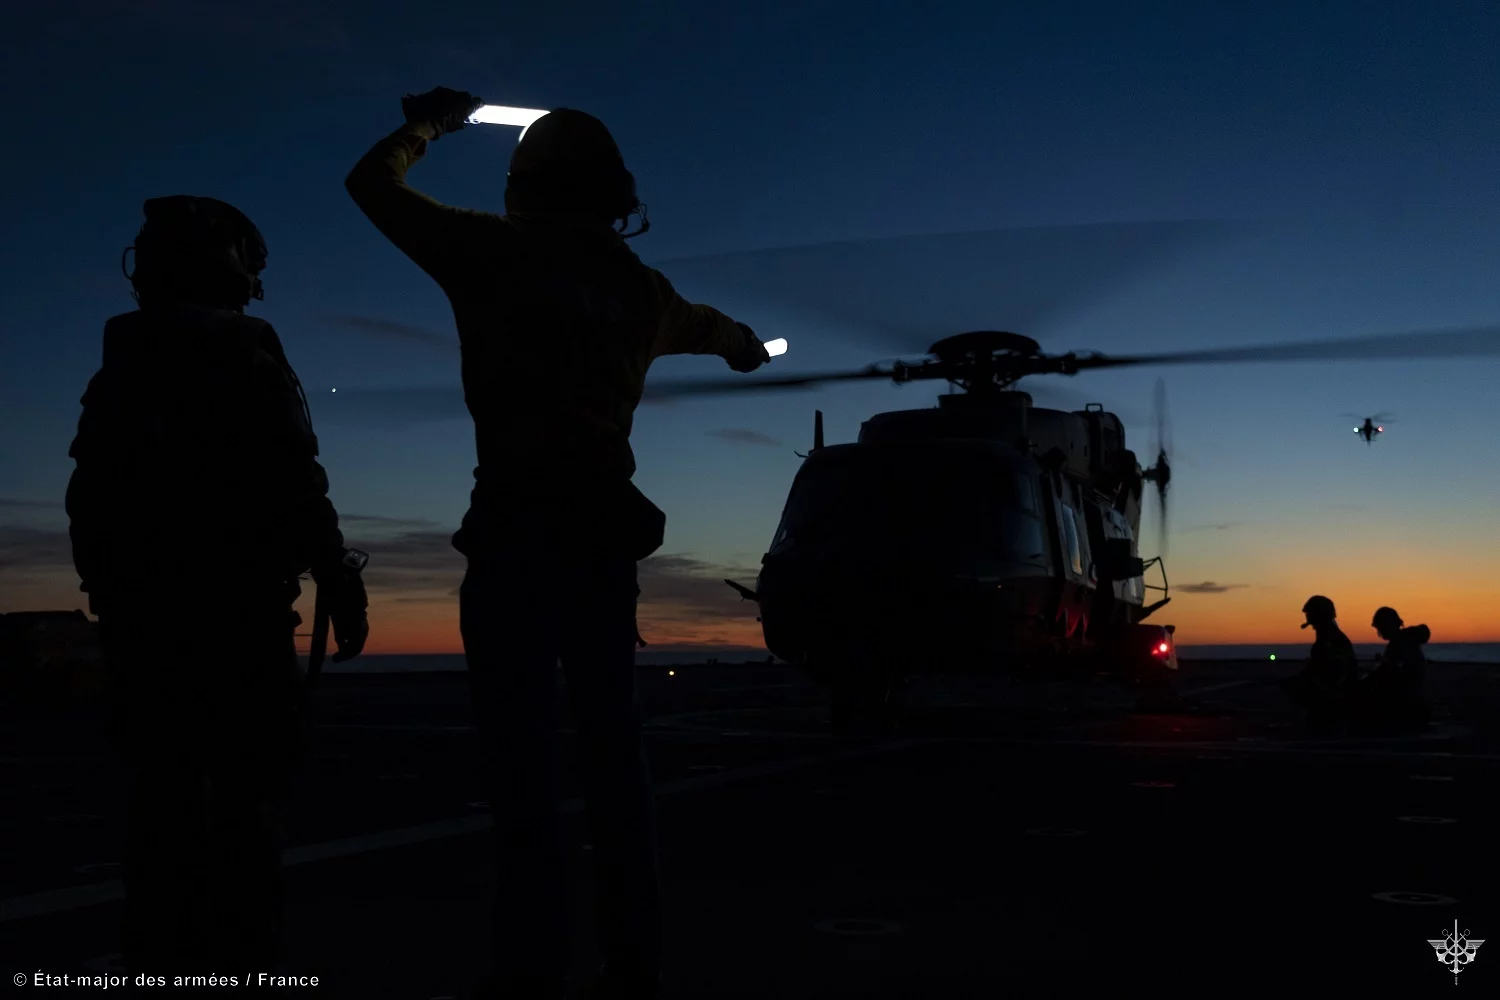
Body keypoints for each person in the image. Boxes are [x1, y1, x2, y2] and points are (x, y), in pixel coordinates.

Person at [344, 88, 771, 999]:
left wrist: (429, 125)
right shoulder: (641, 291)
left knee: (521, 767)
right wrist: (750, 350)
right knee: (617, 756)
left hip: (511, 537)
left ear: (525, 191)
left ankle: (531, 966)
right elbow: (722, 333)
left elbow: (370, 186)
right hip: (599, 546)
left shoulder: (491, 252)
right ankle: (634, 961)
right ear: (616, 198)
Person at [65, 195, 370, 981]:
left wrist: (114, 598)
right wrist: (334, 571)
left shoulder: (120, 367)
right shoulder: (243, 354)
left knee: (159, 809)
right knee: (245, 809)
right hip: (238, 617)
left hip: (143, 621)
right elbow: (296, 480)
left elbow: (89, 503)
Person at [1281, 595, 1358, 733]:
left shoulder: (1331, 640)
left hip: (1333, 698)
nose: (1311, 622)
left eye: (1311, 616)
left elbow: (1333, 674)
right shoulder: (1329, 638)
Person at [1356, 606, 1431, 732]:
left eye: (1380, 627)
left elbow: (1389, 673)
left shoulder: (1401, 644)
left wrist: (1363, 683)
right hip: (1411, 702)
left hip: (1408, 707)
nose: (1379, 632)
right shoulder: (1402, 642)